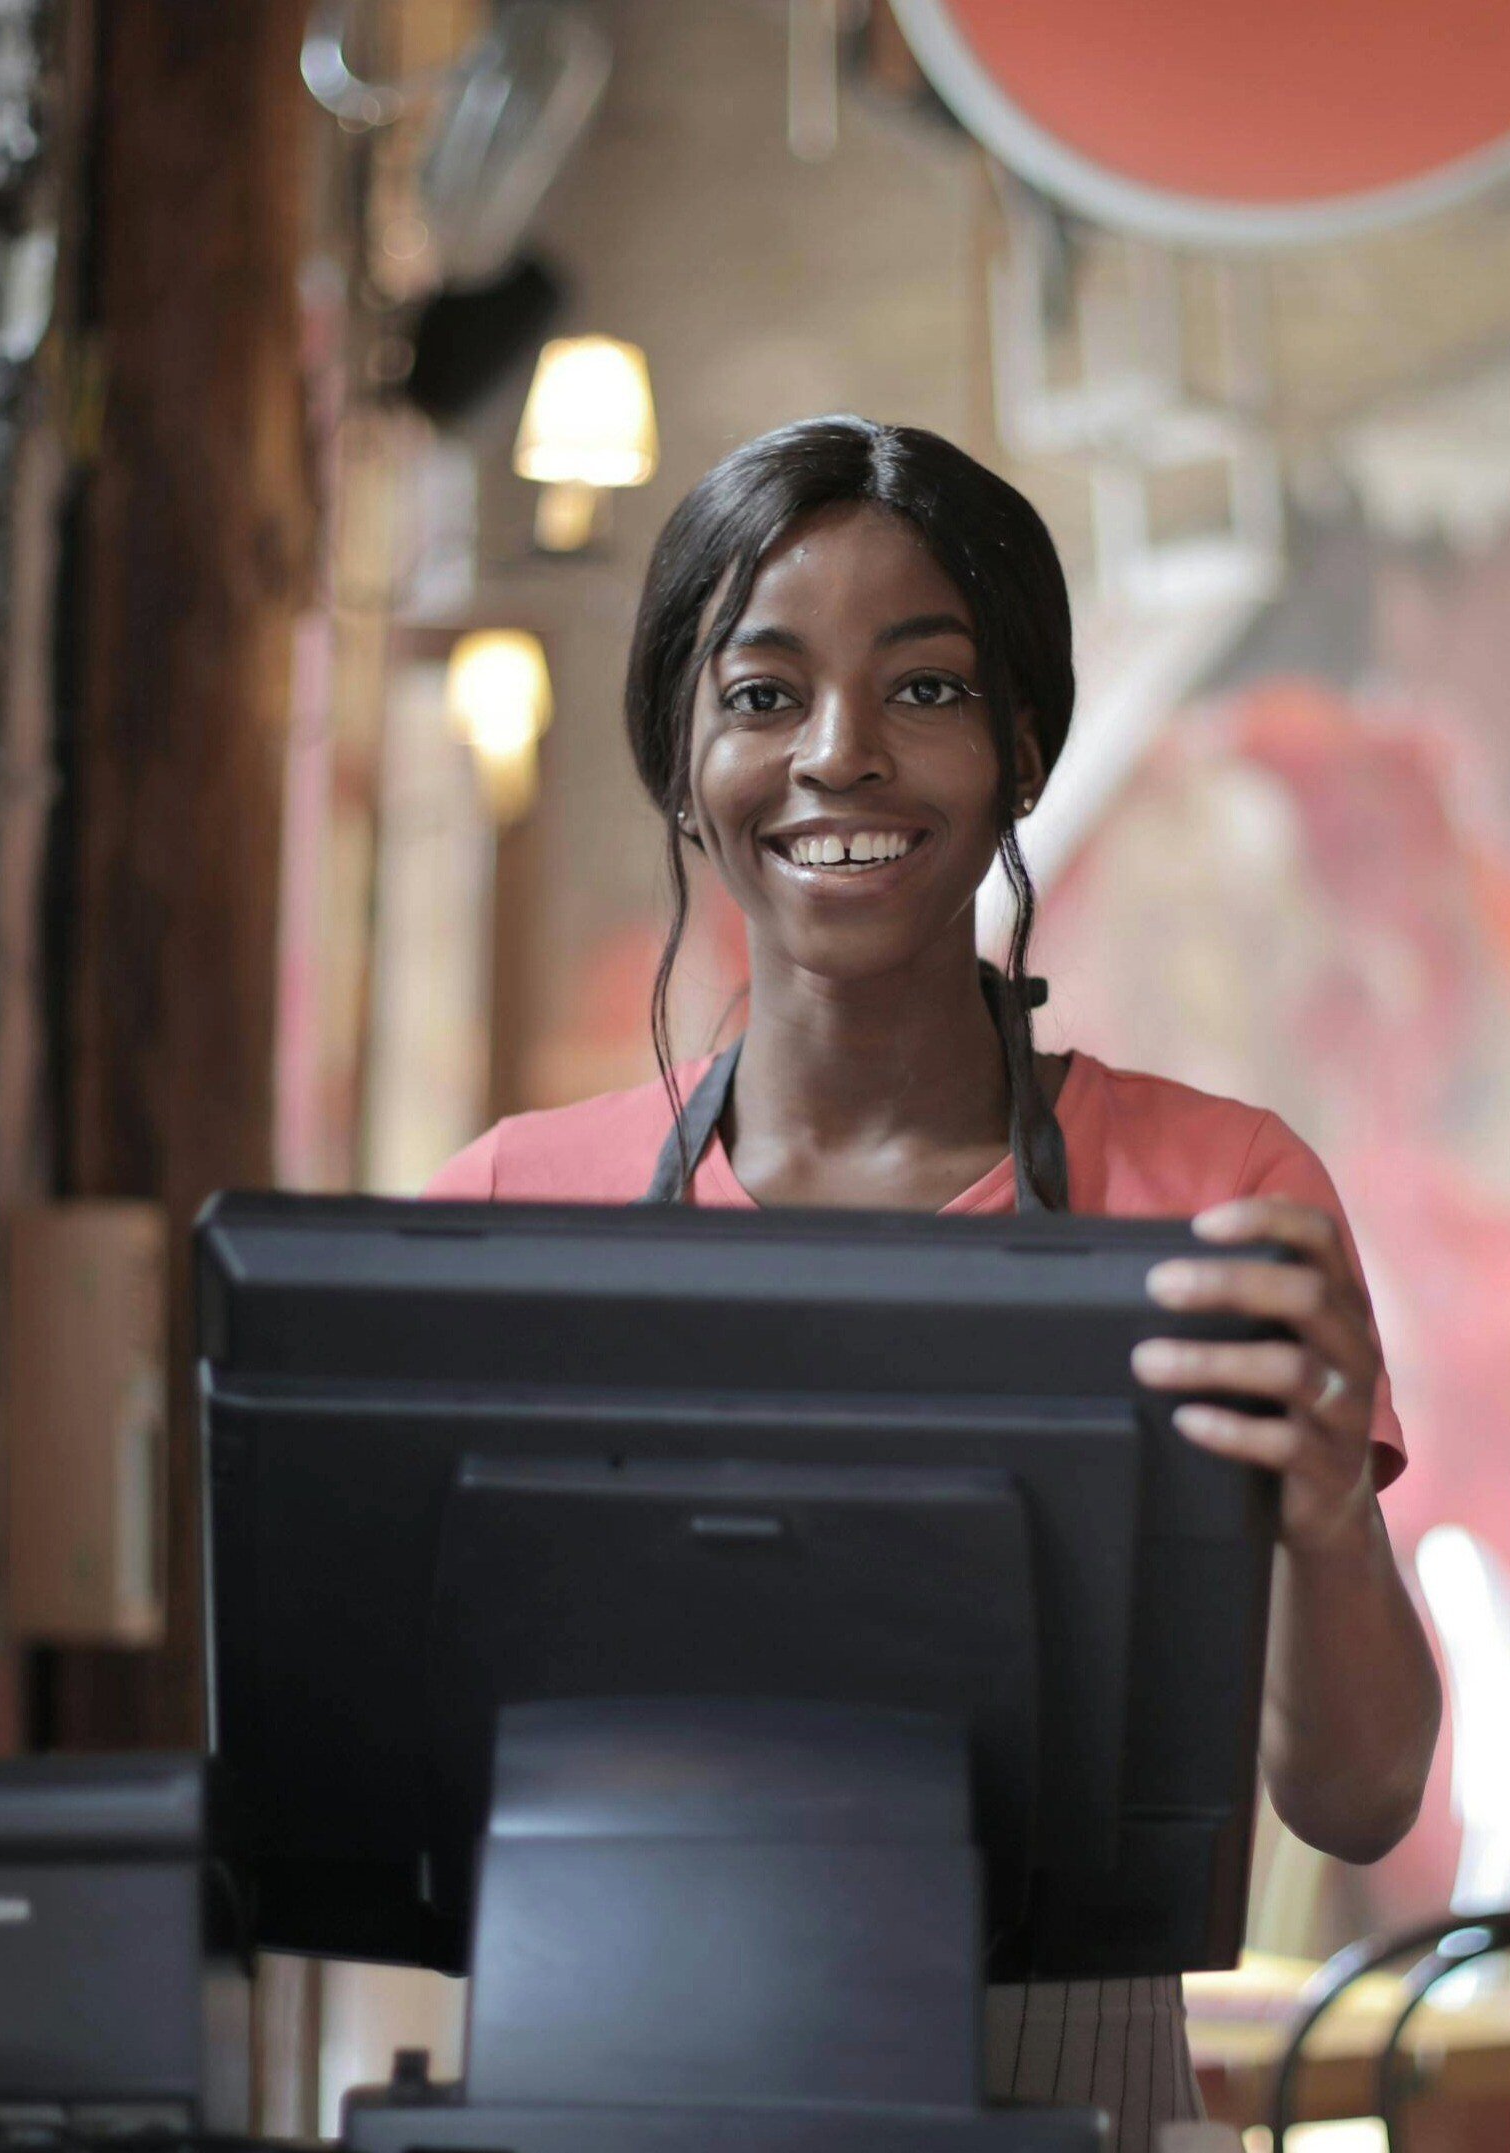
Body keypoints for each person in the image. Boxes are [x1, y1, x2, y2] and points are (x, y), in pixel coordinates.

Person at [427, 416, 1441, 2124]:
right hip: (607, 2081)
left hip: (1075, 2092)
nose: (842, 755)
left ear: (1027, 748)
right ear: (681, 758)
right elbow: (401, 1783)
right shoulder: (515, 1205)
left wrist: (1329, 1511)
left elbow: (1356, 1800)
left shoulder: (1215, 1195)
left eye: (926, 689)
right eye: (762, 695)